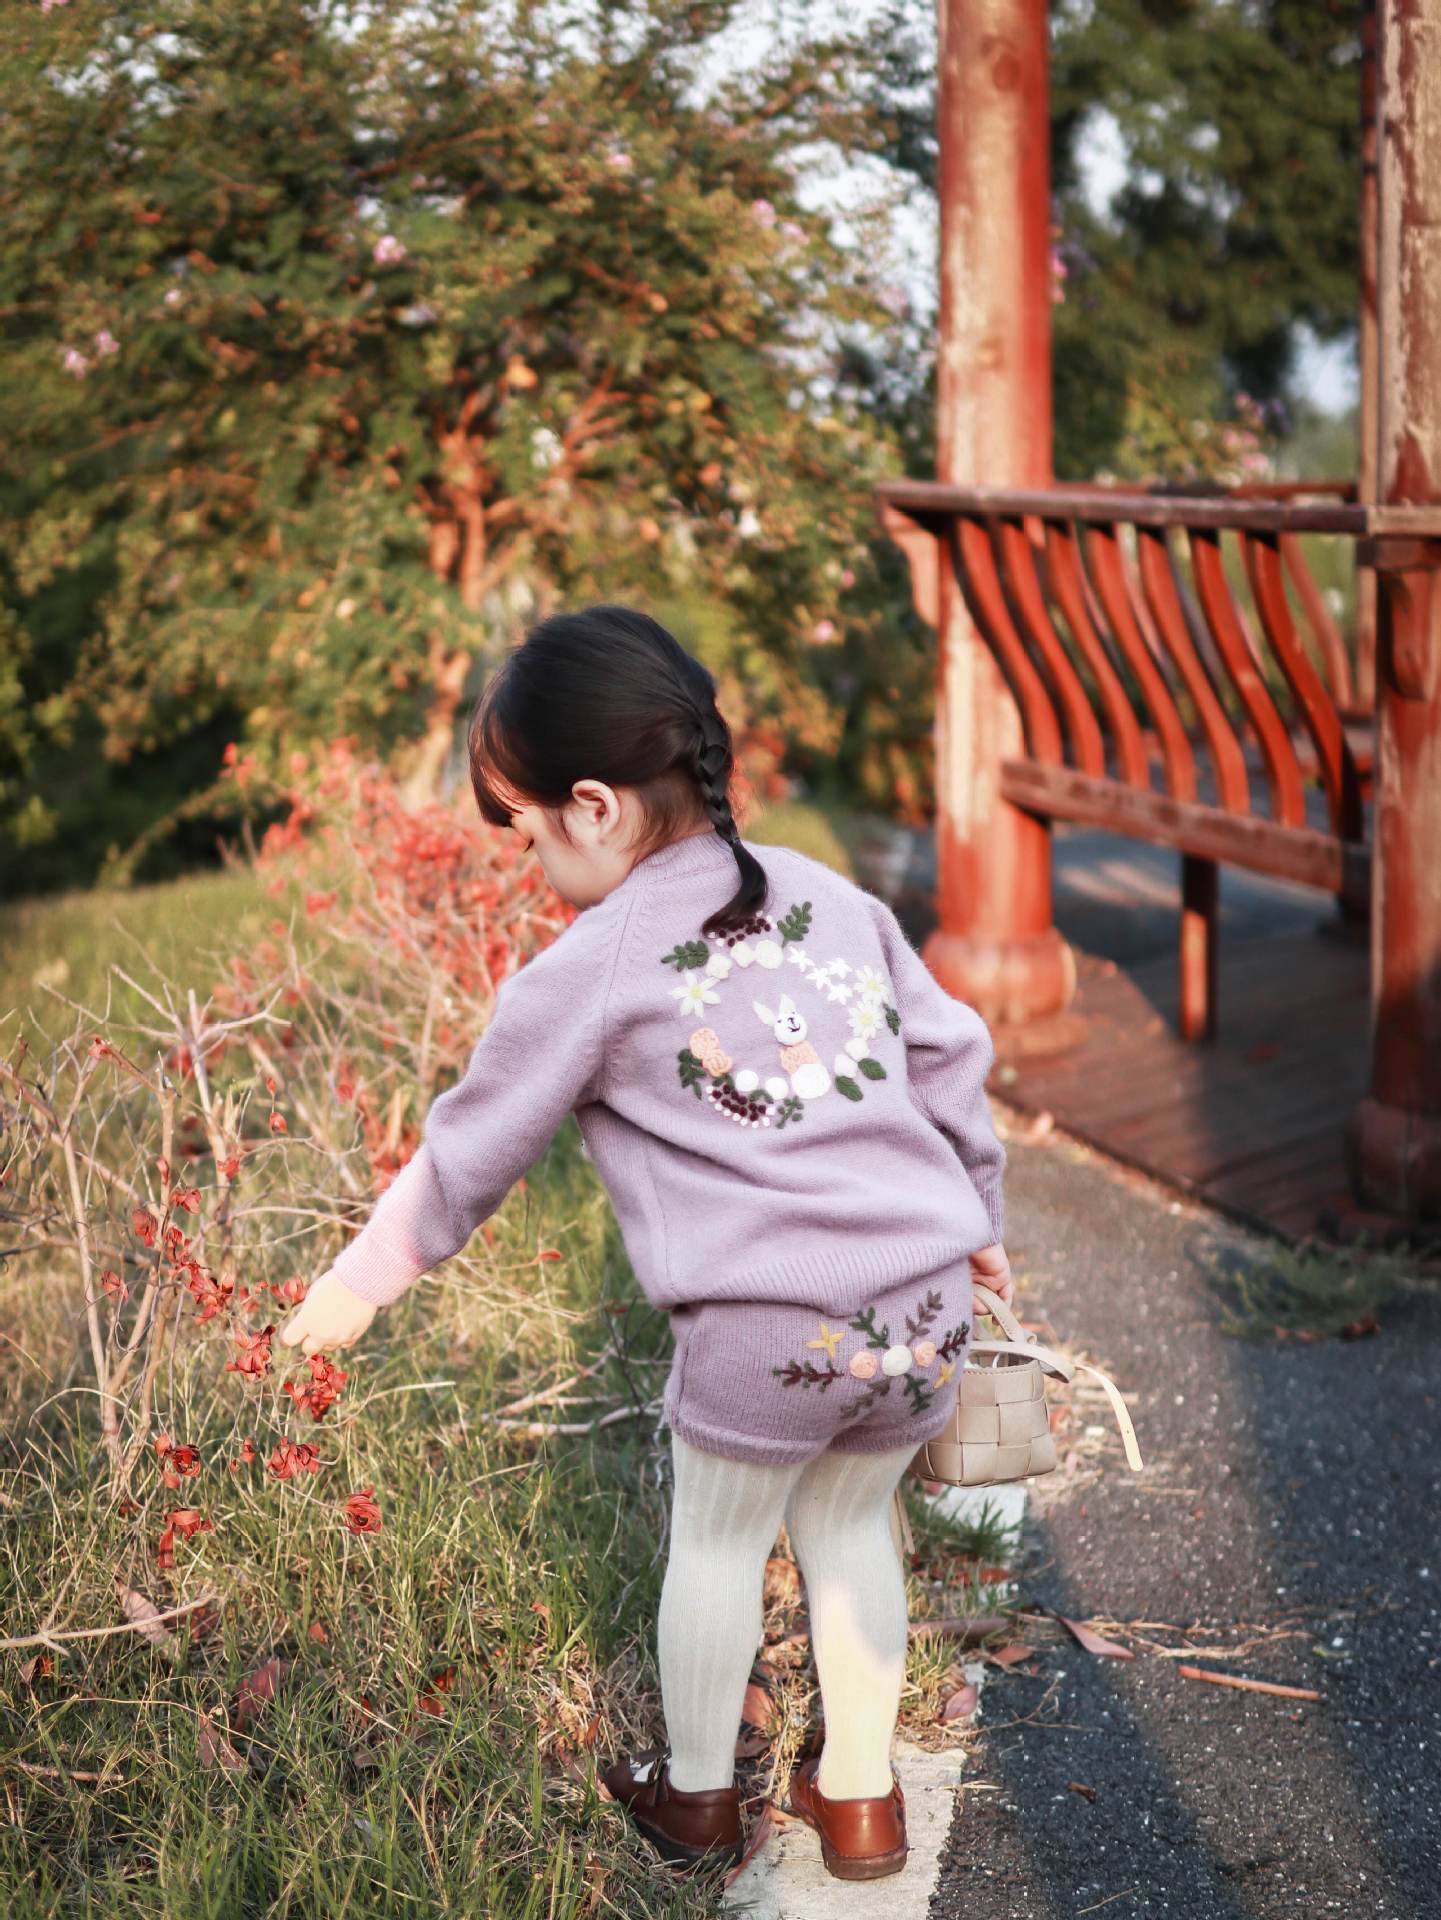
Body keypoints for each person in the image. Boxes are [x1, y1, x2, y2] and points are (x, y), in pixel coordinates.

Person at [279, 604, 1012, 1882]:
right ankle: (859, 1804)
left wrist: (345, 1294)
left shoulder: (592, 964)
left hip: (766, 1323)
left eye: (521, 829)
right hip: (924, 1308)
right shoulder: (829, 899)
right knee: (851, 1532)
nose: (523, 859)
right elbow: (949, 1055)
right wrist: (983, 1224)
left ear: (595, 805)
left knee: (718, 1548)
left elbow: (469, 1153)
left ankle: (692, 1804)